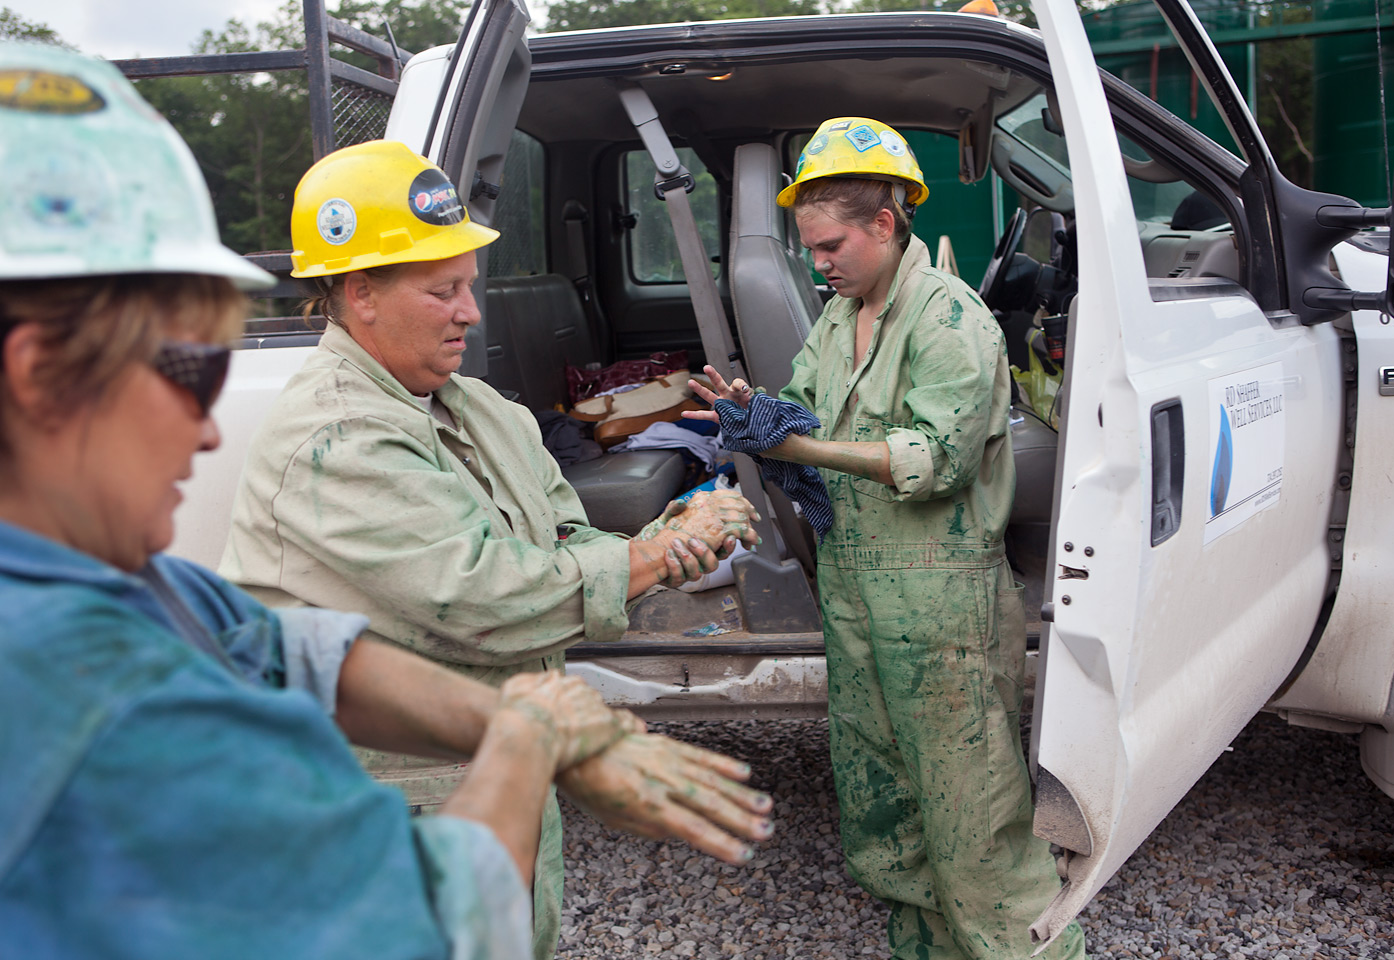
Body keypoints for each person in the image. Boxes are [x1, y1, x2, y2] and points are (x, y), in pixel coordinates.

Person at [0, 43, 771, 959]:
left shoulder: (138, 589)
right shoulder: (82, 690)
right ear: (42, 377)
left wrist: (531, 722)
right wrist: (529, 737)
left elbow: (280, 645)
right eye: (186, 364)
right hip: (421, 799)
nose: (210, 433)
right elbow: (420, 924)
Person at [219, 138, 763, 959]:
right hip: (389, 793)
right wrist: (650, 559)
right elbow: (486, 596)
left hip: (487, 758)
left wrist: (666, 539)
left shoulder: (475, 405)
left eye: (468, 286)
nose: (471, 313)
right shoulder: (336, 436)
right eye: (443, 291)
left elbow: (558, 531)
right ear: (361, 295)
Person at [686, 118, 1087, 959]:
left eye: (833, 245)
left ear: (886, 220)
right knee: (886, 805)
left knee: (971, 809)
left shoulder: (950, 321)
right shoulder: (839, 319)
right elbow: (800, 400)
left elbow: (933, 457)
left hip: (939, 597)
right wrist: (756, 410)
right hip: (858, 589)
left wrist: (800, 448)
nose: (820, 263)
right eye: (810, 248)